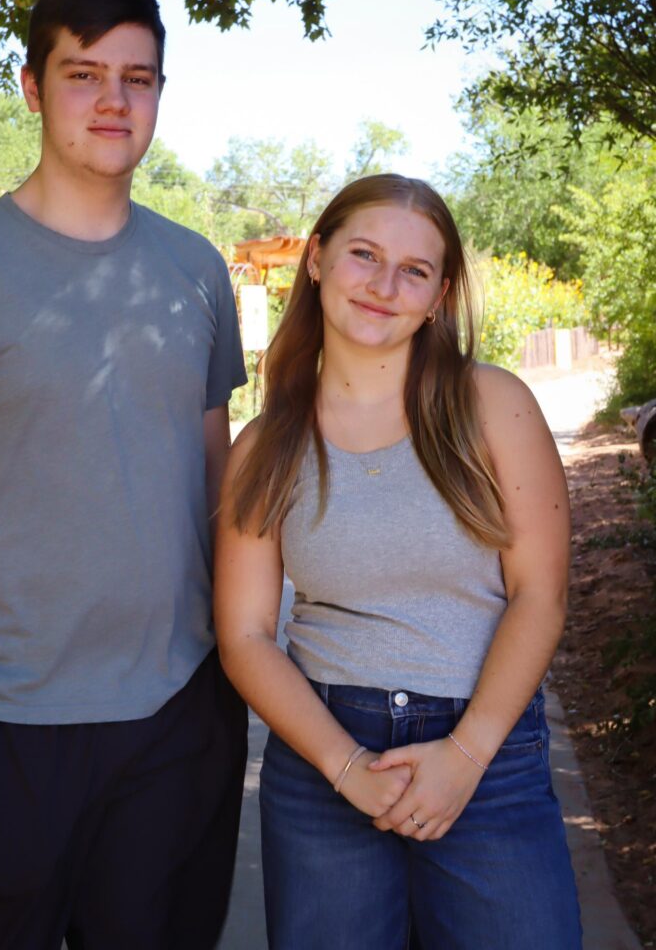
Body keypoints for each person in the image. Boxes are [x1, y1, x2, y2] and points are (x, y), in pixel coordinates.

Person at [0, 0, 247, 949]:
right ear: (33, 88)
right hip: (0, 723)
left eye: (139, 77)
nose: (115, 100)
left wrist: (231, 680)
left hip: (174, 720)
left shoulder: (195, 270)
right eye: (84, 74)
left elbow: (217, 479)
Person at [214, 174, 582, 949]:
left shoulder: (494, 407)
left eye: (414, 270)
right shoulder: (266, 446)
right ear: (316, 260)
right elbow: (245, 636)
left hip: (488, 750)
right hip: (324, 759)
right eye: (364, 255)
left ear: (440, 294)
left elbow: (539, 595)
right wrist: (346, 767)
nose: (384, 286)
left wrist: (466, 754)